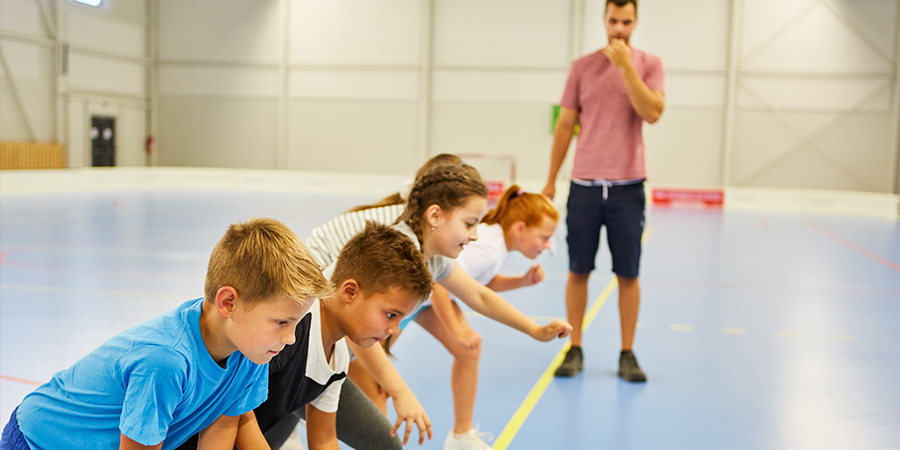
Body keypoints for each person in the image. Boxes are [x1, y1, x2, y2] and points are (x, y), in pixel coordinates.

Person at [0, 218, 330, 450]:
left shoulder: (250, 351)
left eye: (296, 324)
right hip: (37, 441)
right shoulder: (166, 361)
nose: (290, 339)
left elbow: (223, 421)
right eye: (282, 322)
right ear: (228, 302)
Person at [305, 164, 573, 450]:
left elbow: (478, 296)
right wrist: (401, 391)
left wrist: (535, 330)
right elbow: (354, 329)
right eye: (470, 223)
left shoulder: (431, 253)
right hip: (307, 330)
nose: (475, 234)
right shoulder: (399, 249)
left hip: (323, 355)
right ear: (434, 216)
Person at [187, 221, 434, 450]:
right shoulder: (285, 333)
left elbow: (324, 439)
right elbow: (228, 407)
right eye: (391, 315)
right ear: (349, 292)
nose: (395, 330)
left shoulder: (337, 358)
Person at [542, 0, 665, 382]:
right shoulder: (582, 68)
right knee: (578, 270)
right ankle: (573, 347)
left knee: (628, 274)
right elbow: (564, 126)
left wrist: (626, 67)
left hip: (628, 189)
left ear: (636, 22)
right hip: (584, 187)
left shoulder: (649, 65)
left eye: (626, 22)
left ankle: (627, 354)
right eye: (613, 21)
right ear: (604, 20)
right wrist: (550, 179)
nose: (619, 29)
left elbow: (653, 112)